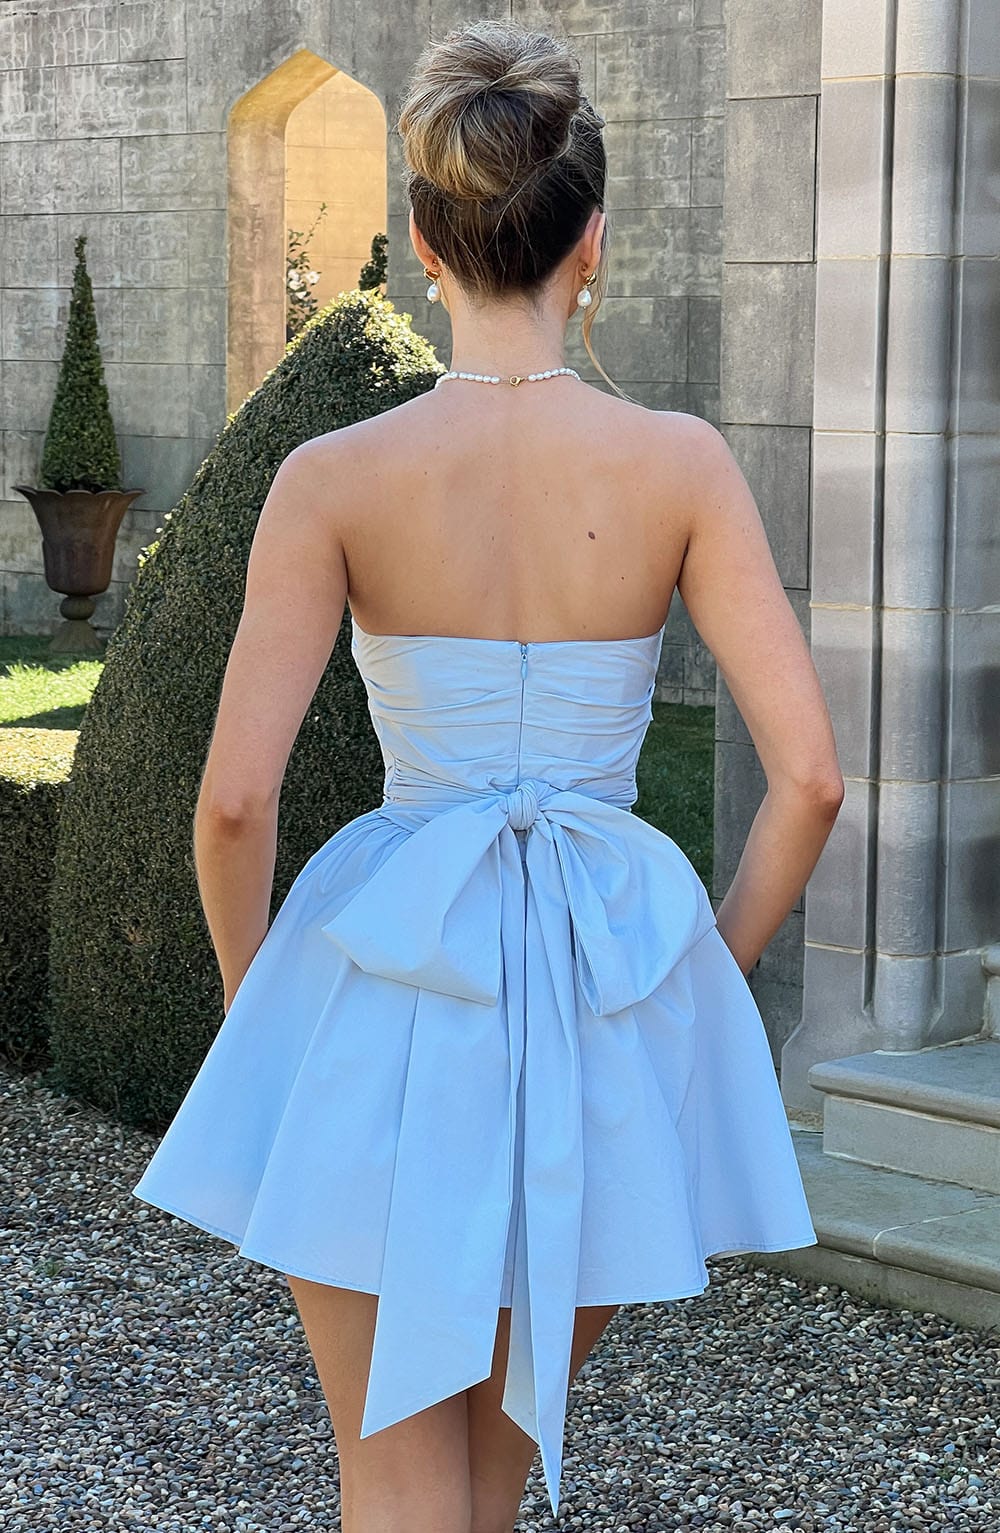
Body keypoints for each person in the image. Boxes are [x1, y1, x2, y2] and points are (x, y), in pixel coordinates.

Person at [132, 17, 844, 1533]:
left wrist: (268, 1010)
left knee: (392, 1476)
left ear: (421, 242)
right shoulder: (682, 464)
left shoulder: (331, 477)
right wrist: (697, 981)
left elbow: (235, 803)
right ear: (594, 245)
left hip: (388, 984)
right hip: (598, 994)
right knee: (494, 1482)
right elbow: (811, 781)